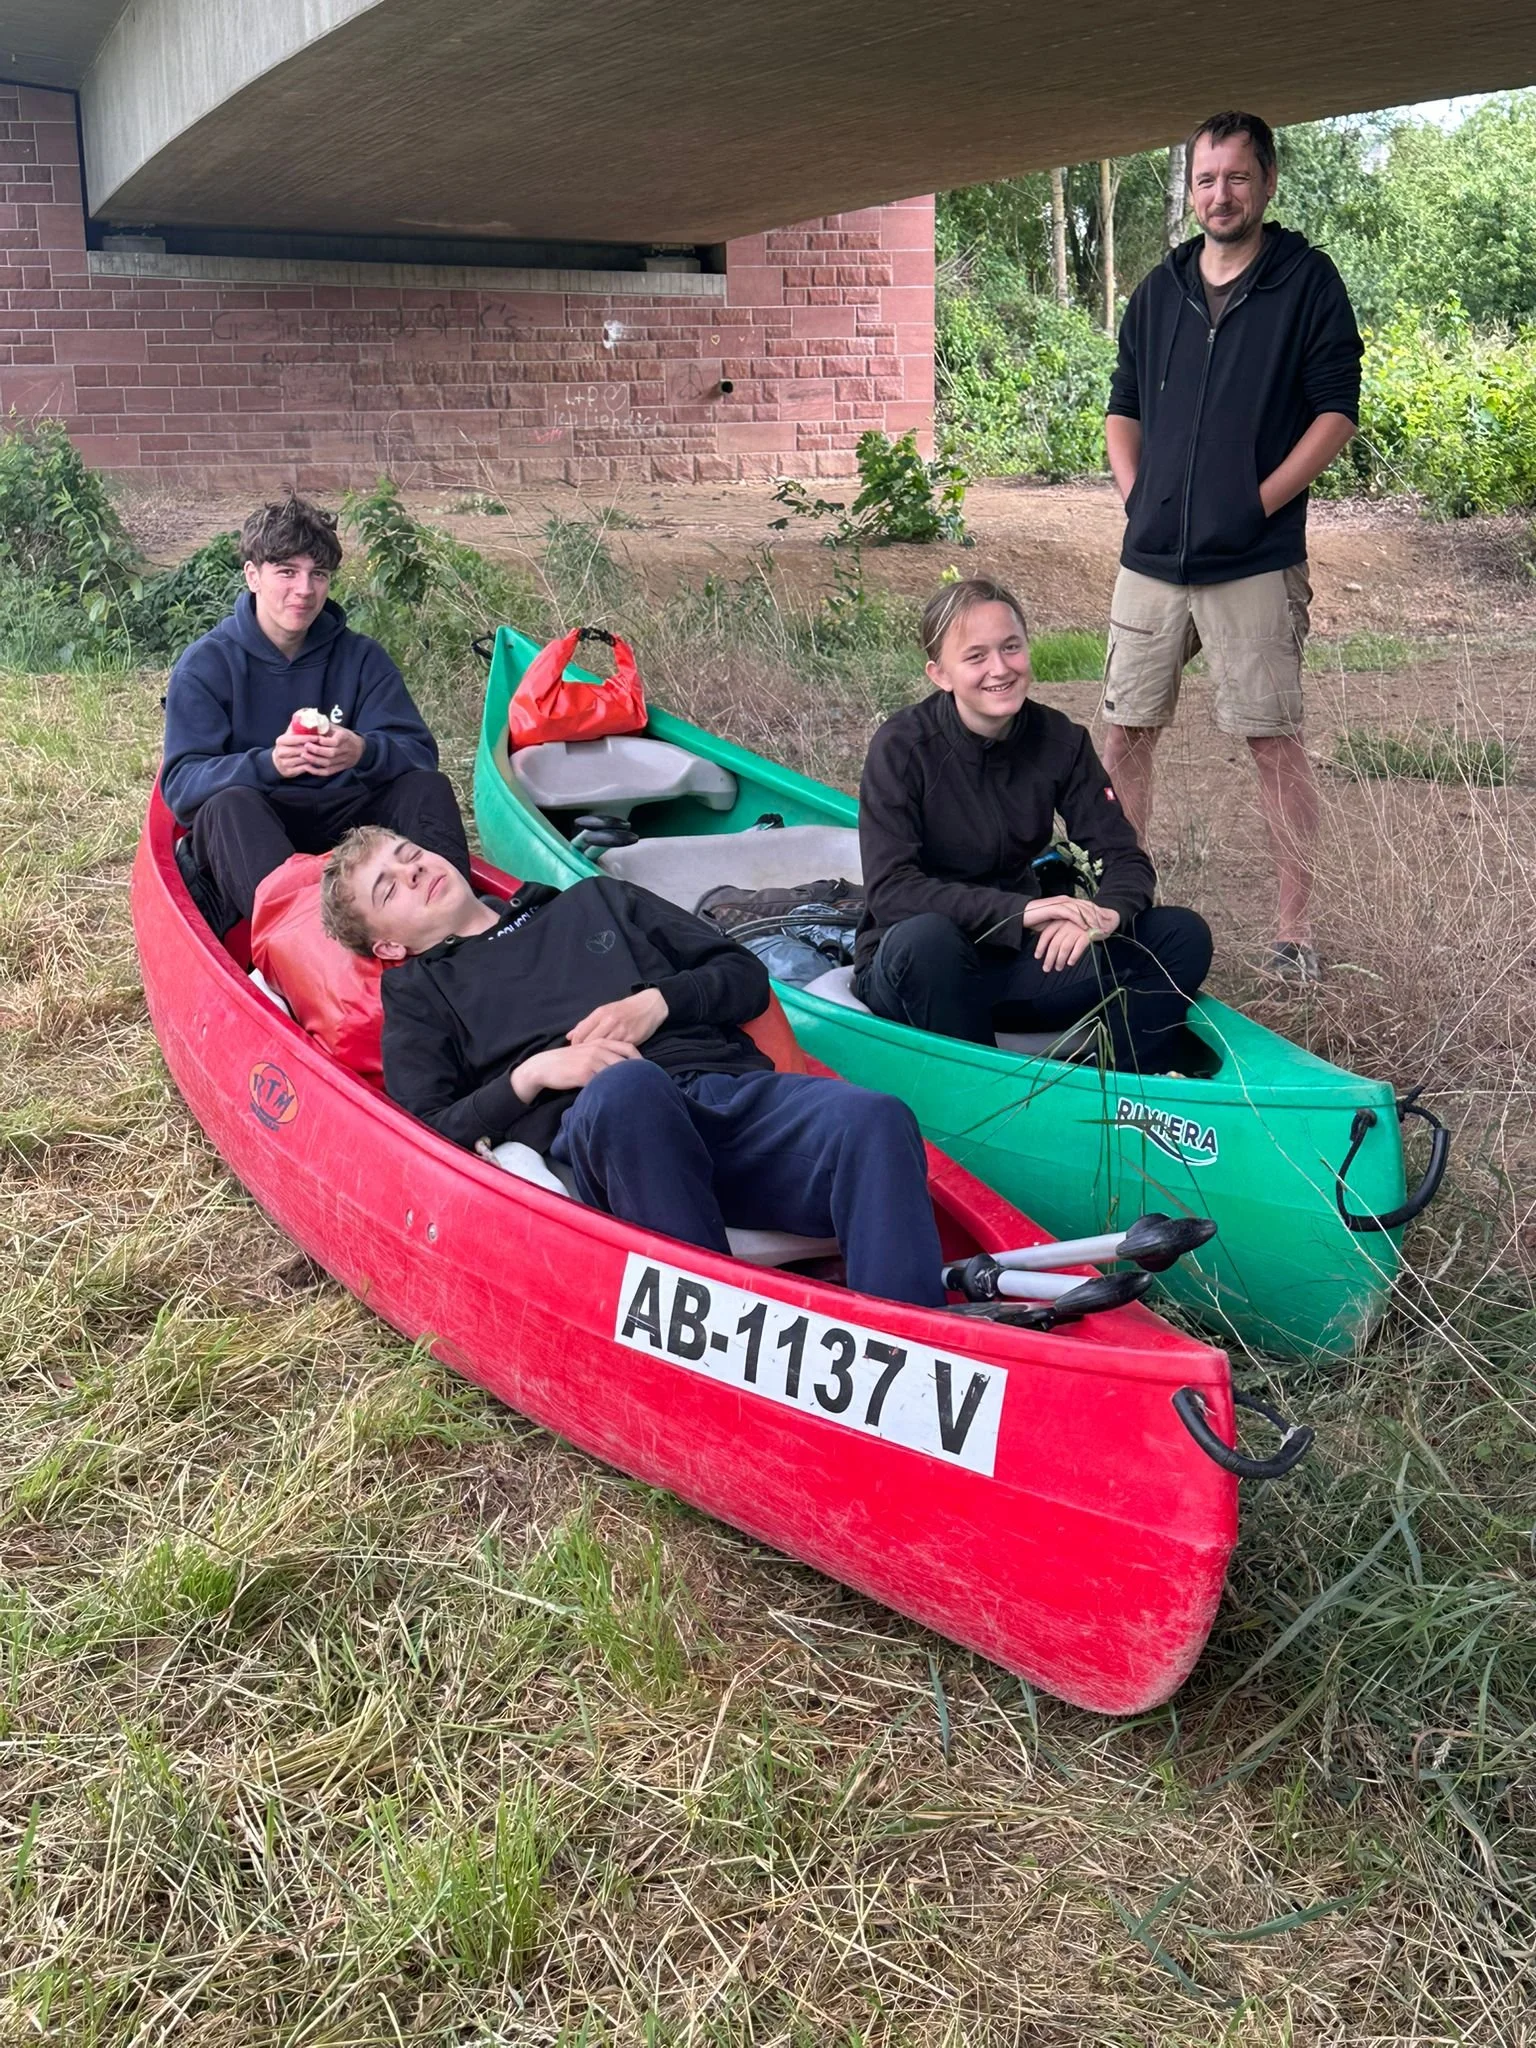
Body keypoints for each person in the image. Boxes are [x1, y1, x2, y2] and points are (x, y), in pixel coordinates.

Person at [320, 825, 947, 1308]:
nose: (413, 870)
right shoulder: (421, 995)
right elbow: (422, 1130)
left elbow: (744, 978)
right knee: (629, 1089)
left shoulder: (598, 901)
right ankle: (710, 1339)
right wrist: (534, 1074)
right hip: (609, 1134)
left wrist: (659, 1002)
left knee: (878, 1118)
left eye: (408, 855)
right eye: (389, 887)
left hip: (726, 1096)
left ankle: (912, 1355)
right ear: (389, 946)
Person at [1102, 110, 1364, 981]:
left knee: (1270, 740)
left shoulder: (1307, 283)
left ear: (1268, 183)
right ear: (1192, 188)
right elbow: (1123, 407)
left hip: (1251, 560)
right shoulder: (1159, 290)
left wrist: (1254, 505)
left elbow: (1335, 416)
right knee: (1124, 734)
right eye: (1207, 179)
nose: (1221, 194)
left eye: (1237, 178)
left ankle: (1296, 933)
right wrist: (1138, 500)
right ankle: (1123, 909)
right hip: (1152, 562)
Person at [853, 577, 1212, 1073]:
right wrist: (1021, 911)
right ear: (941, 674)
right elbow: (892, 891)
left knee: (1181, 934)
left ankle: (1130, 1086)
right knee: (928, 939)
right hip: (917, 966)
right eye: (975, 656)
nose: (999, 669)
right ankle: (981, 1092)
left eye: (1011, 648)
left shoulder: (1060, 741)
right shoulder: (901, 748)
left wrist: (1108, 912)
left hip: (1017, 965)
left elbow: (1123, 856)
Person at [161, 495, 470, 929]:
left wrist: (363, 751)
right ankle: (303, 951)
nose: (305, 590)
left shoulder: (362, 658)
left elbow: (418, 751)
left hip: (351, 828)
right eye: (286, 572)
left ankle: (455, 927)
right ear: (252, 575)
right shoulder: (206, 665)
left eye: (318, 574)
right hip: (259, 832)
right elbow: (181, 787)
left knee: (426, 787)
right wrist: (268, 764)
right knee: (227, 806)